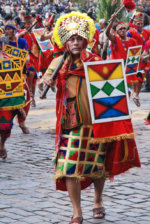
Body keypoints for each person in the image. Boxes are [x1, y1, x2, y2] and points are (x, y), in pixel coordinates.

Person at [43, 12, 140, 224]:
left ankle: (97, 199)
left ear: (85, 41)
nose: (76, 43)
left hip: (96, 123)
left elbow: (111, 86)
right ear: (66, 42)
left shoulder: (95, 62)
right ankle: (77, 212)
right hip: (70, 123)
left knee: (97, 167)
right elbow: (46, 79)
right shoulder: (59, 62)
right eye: (72, 39)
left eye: (79, 39)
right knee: (68, 166)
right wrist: (48, 81)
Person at [0, 20, 30, 159]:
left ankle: (21, 120)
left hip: (16, 79)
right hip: (3, 83)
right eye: (5, 29)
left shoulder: (22, 42)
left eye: (9, 29)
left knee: (6, 125)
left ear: (13, 30)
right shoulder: (2, 43)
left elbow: (27, 58)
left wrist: (21, 58)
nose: (7, 32)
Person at [105, 13, 141, 106]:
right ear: (116, 31)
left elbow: (136, 55)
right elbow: (107, 33)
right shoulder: (115, 40)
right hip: (118, 69)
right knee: (120, 91)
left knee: (135, 82)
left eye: (124, 28)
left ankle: (133, 97)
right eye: (120, 29)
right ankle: (123, 107)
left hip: (130, 68)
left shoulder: (133, 41)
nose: (123, 30)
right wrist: (112, 21)